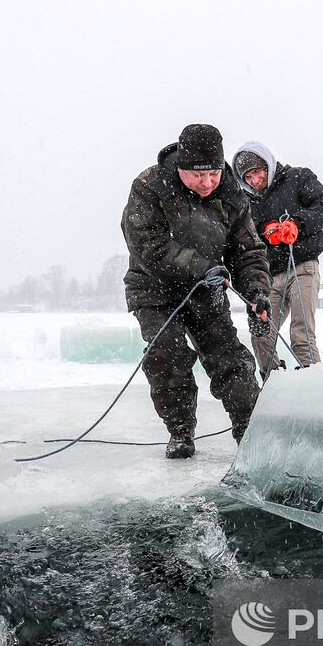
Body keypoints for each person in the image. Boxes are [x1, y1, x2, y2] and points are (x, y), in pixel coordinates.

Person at [121, 124, 272, 458]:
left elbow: (247, 251)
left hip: (207, 289)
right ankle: (180, 431)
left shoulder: (232, 193)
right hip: (154, 289)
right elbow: (147, 244)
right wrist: (200, 266)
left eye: (214, 174)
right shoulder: (149, 186)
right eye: (197, 175)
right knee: (167, 356)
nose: (207, 183)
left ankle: (250, 432)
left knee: (230, 359)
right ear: (180, 168)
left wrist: (257, 291)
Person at [232, 141, 323, 380]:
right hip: (269, 276)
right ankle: (274, 384)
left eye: (257, 171)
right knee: (261, 332)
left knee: (301, 334)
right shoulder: (248, 203)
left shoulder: (297, 177)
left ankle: (314, 385)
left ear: (267, 164)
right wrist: (265, 228)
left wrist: (296, 224)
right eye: (248, 177)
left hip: (303, 267)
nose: (255, 180)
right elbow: (247, 236)